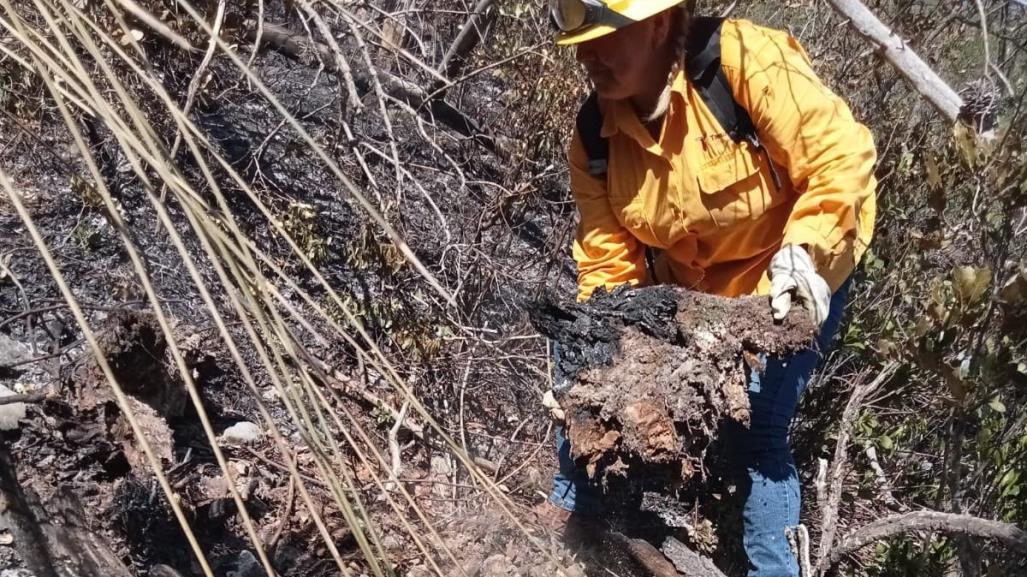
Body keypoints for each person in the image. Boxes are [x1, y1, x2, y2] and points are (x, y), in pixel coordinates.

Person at [537, 2, 877, 577]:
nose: (589, 55)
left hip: (796, 269)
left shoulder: (744, 62)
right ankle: (564, 539)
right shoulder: (594, 137)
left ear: (663, 23)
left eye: (608, 36)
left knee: (757, 436)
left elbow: (839, 158)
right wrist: (593, 370)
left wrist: (806, 253)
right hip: (691, 293)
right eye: (581, 41)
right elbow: (607, 264)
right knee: (585, 388)